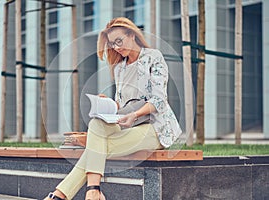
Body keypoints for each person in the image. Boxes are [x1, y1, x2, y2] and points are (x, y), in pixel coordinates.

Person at [44, 17, 182, 200]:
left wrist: (134, 115)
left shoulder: (153, 57)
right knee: (96, 123)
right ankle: (93, 190)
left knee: (96, 148)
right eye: (112, 44)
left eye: (119, 41)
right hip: (128, 125)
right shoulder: (120, 68)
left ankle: (66, 195)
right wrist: (109, 104)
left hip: (155, 128)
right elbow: (122, 104)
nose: (116, 47)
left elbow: (159, 100)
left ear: (132, 35)